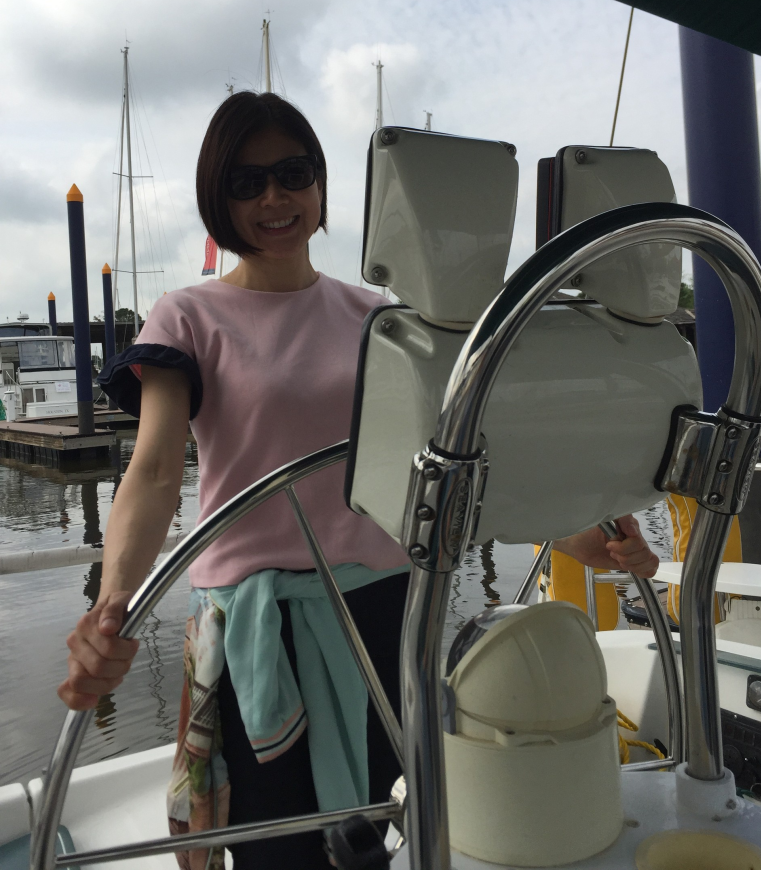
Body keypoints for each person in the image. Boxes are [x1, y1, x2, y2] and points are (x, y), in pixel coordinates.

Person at [57, 91, 659, 869]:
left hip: (385, 614)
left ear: (320, 184)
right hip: (261, 633)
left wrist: (584, 534)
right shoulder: (185, 317)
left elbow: (458, 467)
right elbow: (156, 470)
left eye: (292, 173)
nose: (273, 197)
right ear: (219, 197)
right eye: (246, 183)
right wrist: (116, 605)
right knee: (279, 846)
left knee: (390, 830)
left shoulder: (382, 316)